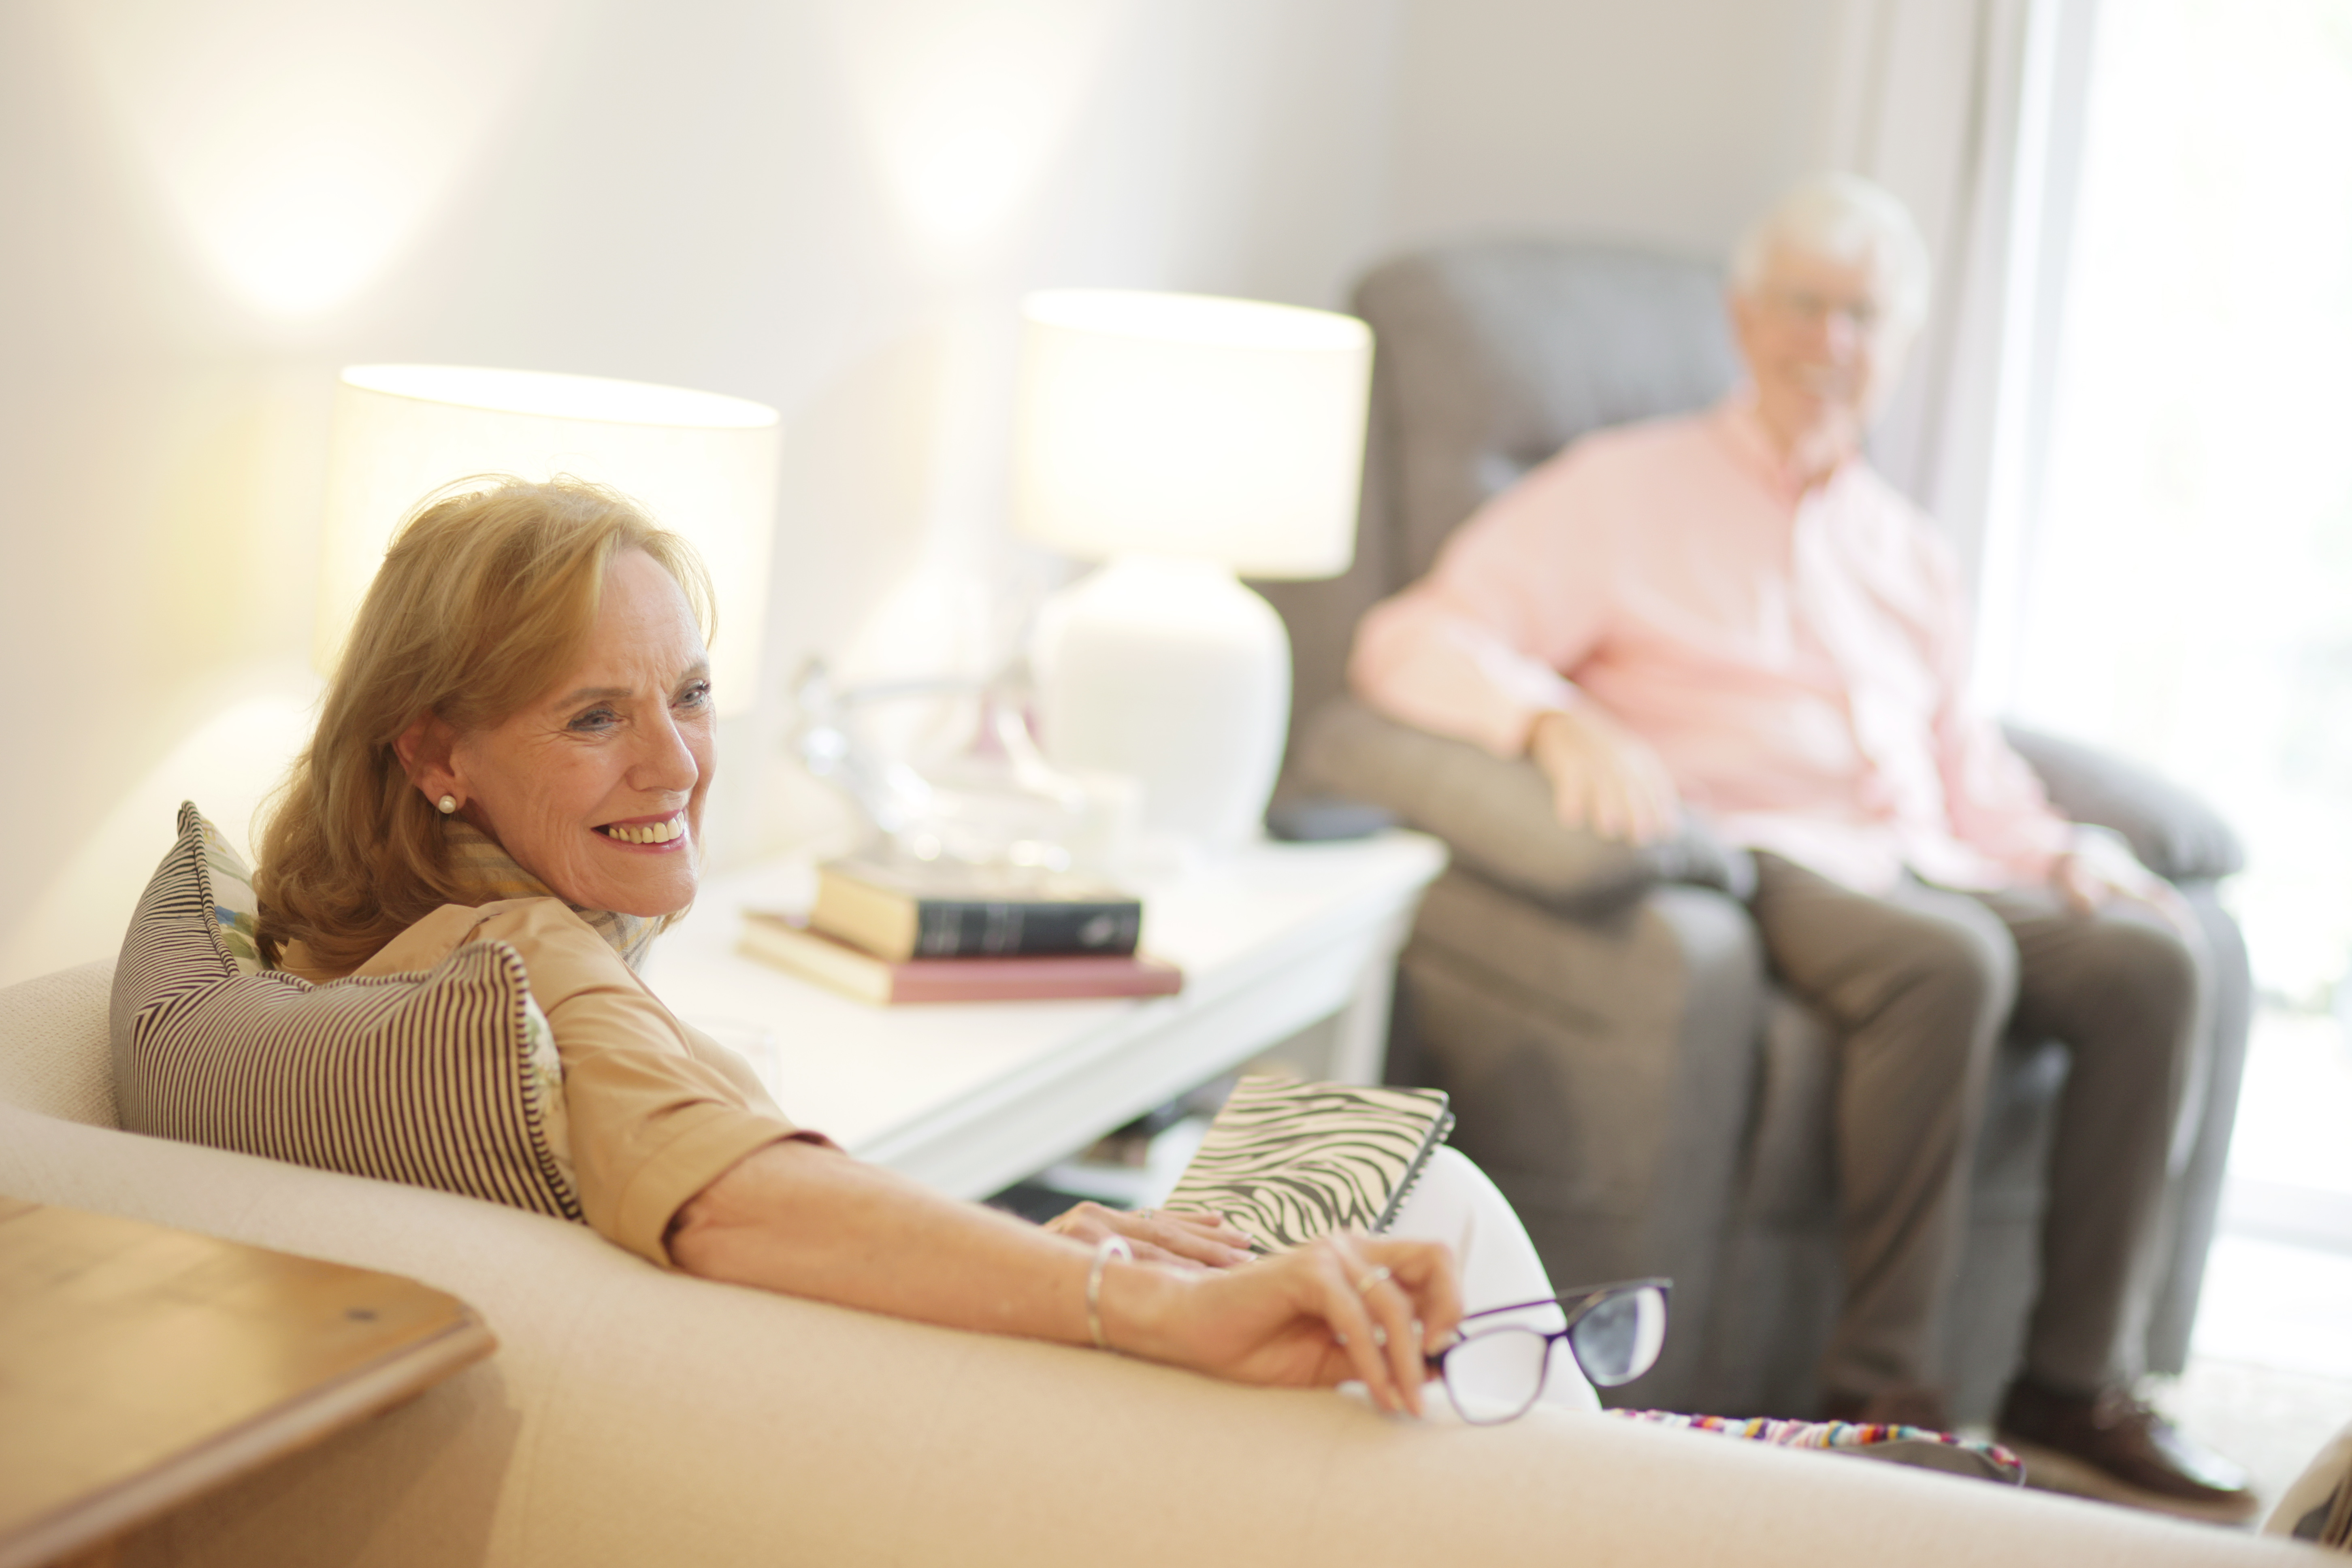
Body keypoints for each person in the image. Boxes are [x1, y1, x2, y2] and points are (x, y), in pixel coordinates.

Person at [251, 475, 1603, 1426]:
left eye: (691, 694)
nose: (676, 760)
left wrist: (1029, 1248)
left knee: (1356, 1184)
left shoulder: (385, 960)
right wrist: (1133, 1306)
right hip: (930, 1439)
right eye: (595, 717)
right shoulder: (530, 968)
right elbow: (729, 1199)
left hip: (865, 1376)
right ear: (434, 751)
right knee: (1436, 1206)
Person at [1349, 173, 2254, 1515]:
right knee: (1946, 965)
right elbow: (1409, 641)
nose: (1830, 342)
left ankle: (2076, 1382)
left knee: (2148, 963)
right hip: (1761, 854)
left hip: (1921, 855)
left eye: (1863, 317)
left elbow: (1962, 761)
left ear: (1899, 347)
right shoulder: (1624, 490)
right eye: (1804, 306)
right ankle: (1879, 1393)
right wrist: (1550, 723)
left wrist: (2063, 851)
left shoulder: (1905, 547)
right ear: (1742, 318)